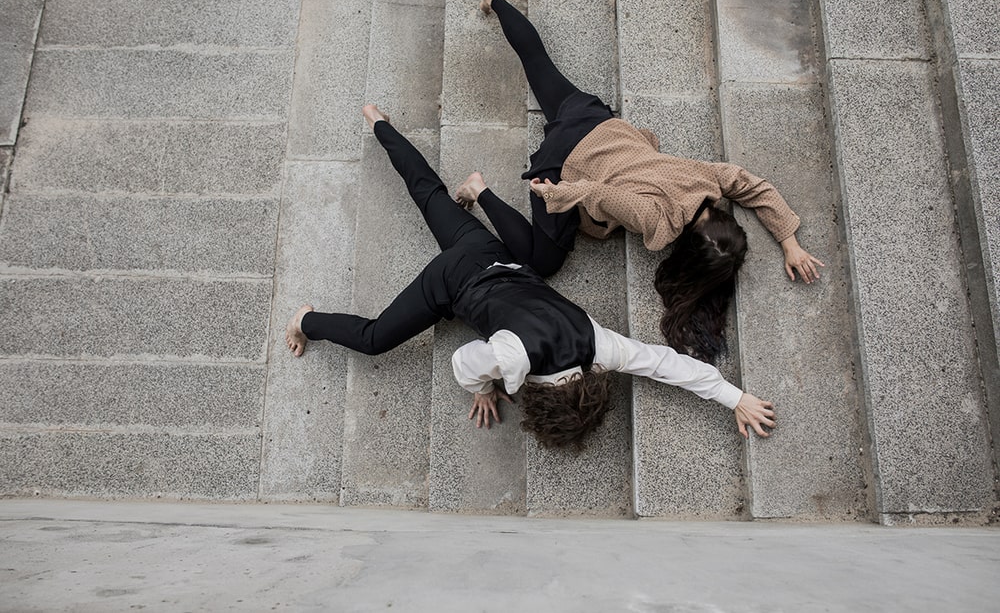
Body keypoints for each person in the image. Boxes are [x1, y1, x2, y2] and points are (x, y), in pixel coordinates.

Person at [284, 105, 776, 449]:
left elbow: (664, 364)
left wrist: (736, 396)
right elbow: (462, 361)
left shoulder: (599, 347)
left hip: (490, 255)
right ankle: (305, 321)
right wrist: (482, 388)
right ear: (538, 400)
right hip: (449, 284)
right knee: (373, 338)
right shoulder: (512, 359)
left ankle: (380, 125)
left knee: (427, 193)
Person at [454, 0, 824, 362]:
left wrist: (790, 242)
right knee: (544, 262)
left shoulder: (709, 182)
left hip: (597, 124)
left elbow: (752, 186)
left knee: (539, 63)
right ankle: (479, 190)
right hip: (569, 160)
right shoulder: (657, 222)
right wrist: (552, 194)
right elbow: (598, 194)